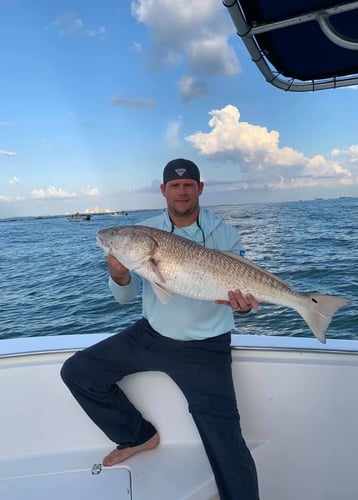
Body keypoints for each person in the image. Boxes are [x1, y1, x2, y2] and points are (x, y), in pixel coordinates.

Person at [61, 158, 260, 500]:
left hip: (206, 345)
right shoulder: (144, 233)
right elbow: (124, 299)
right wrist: (120, 275)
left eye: (188, 185)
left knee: (226, 442)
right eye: (174, 185)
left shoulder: (224, 233)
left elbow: (241, 291)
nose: (181, 192)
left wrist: (245, 304)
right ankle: (138, 435)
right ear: (163, 191)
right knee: (78, 371)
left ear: (199, 188)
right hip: (152, 335)